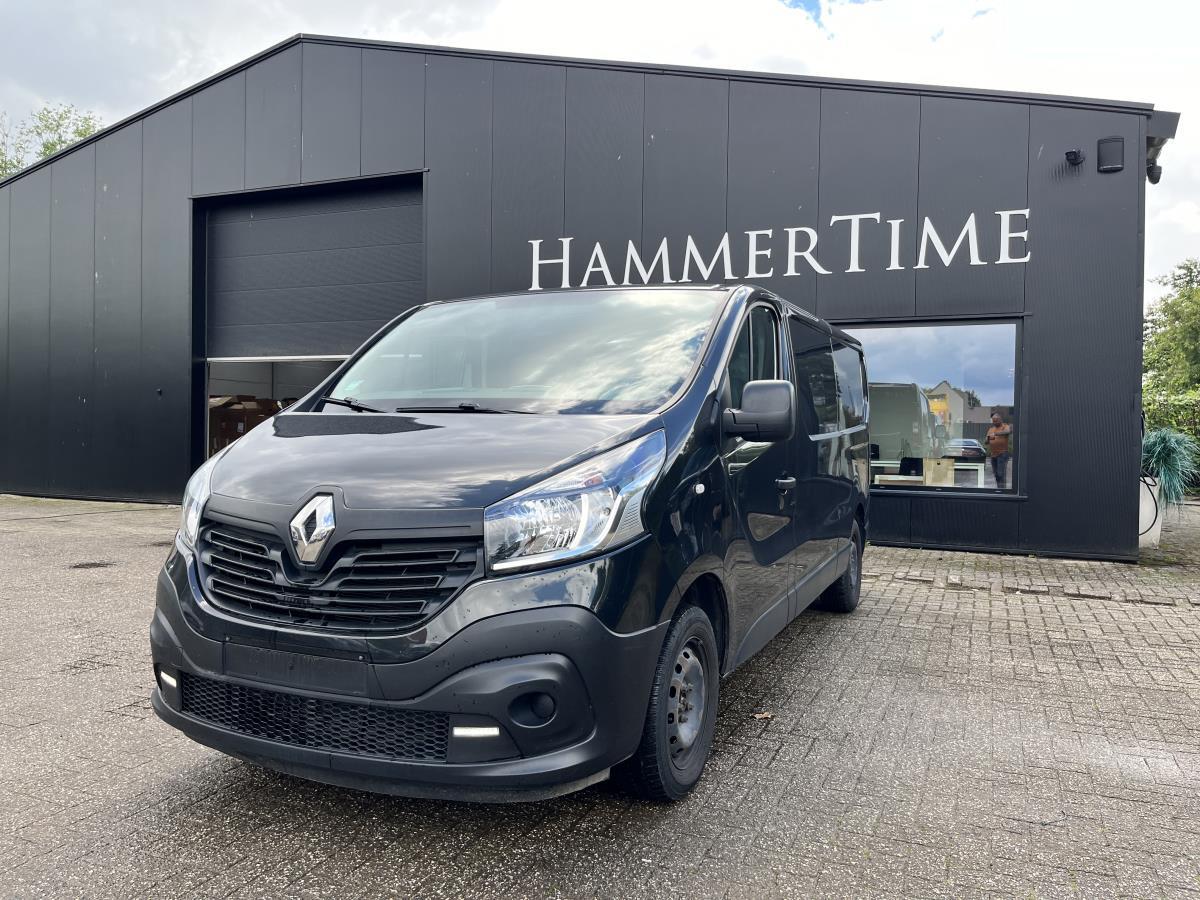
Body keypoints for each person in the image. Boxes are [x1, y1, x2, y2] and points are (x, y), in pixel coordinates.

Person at [985, 412, 1012, 489]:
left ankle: (1003, 490)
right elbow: (986, 442)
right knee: (996, 474)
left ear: (1000, 419)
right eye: (993, 421)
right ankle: (999, 489)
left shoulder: (1005, 426)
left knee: (1001, 474)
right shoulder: (991, 429)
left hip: (1002, 454)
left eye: (996, 420)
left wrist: (996, 434)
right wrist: (988, 438)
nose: (994, 422)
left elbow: (1008, 431)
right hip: (993, 455)